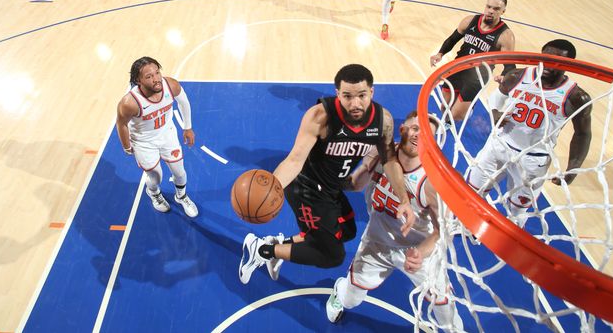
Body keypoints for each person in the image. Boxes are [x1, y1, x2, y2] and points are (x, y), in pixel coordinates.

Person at [239, 64, 415, 284]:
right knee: (331, 255)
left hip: (332, 187)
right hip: (307, 188)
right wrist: (272, 189)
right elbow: (294, 160)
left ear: (372, 92)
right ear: (337, 94)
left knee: (347, 231)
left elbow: (389, 160)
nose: (355, 103)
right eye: (347, 96)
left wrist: (404, 201)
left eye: (361, 95)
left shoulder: (383, 121)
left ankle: (279, 242)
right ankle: (263, 251)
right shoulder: (320, 117)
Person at [326, 112, 463, 330]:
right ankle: (339, 291)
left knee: (442, 303)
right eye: (416, 128)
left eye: (428, 134)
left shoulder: (432, 182)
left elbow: (442, 232)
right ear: (402, 130)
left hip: (417, 248)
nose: (420, 136)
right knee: (351, 299)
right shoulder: (380, 154)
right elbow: (356, 184)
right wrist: (329, 177)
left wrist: (421, 252)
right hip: (376, 241)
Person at [467, 40, 592, 227]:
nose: (548, 64)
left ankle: (509, 240)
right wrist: (495, 113)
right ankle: (465, 223)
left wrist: (573, 167)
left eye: (556, 61)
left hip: (533, 160)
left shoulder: (576, 97)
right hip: (499, 145)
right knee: (473, 191)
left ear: (569, 65)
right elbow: (497, 98)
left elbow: (582, 134)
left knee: (517, 209)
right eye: (546, 57)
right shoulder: (517, 76)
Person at [115, 57, 198, 218]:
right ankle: (153, 192)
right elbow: (121, 124)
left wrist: (187, 127)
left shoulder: (170, 85)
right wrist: (126, 146)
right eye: (149, 76)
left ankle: (181, 197)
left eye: (157, 73)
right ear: (138, 81)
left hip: (167, 135)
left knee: (179, 172)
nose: (156, 79)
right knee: (156, 175)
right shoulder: (129, 103)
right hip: (144, 142)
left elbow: (184, 102)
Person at [429, 0, 516, 123]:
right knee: (445, 107)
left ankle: (467, 111)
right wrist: (440, 53)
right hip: (457, 67)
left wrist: (504, 76)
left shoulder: (505, 36)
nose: (491, 11)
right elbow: (453, 39)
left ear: (503, 12)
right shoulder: (470, 21)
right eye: (489, 6)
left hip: (477, 76)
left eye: (496, 9)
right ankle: (456, 114)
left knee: (455, 116)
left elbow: (510, 65)